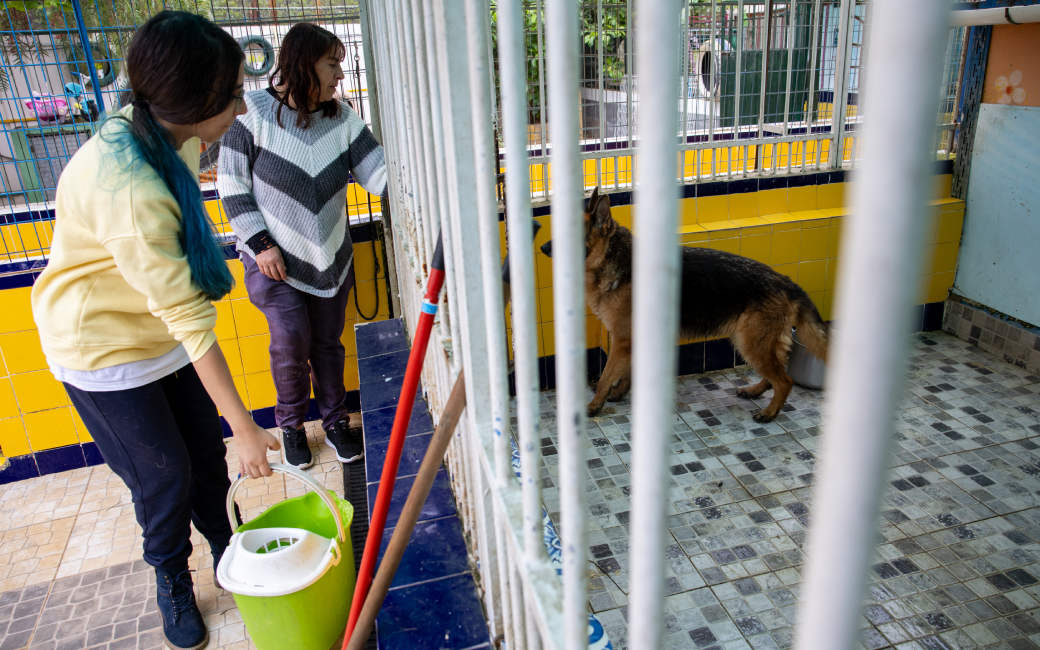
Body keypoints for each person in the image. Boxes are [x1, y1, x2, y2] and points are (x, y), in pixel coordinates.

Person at [31, 12, 280, 650]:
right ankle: (172, 577)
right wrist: (248, 426)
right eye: (230, 95)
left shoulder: (165, 130)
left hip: (154, 331)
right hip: (101, 349)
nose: (239, 106)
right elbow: (190, 319)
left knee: (202, 454)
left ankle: (226, 544)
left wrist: (229, 432)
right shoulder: (131, 188)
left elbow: (176, 309)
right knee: (163, 475)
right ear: (195, 104)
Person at [218, 23, 387, 469]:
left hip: (330, 255)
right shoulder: (252, 112)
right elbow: (231, 186)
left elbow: (379, 176)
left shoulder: (343, 117)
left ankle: (334, 422)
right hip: (272, 260)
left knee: (329, 343)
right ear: (303, 62)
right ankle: (291, 425)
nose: (339, 76)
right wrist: (261, 244)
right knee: (292, 342)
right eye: (332, 64)